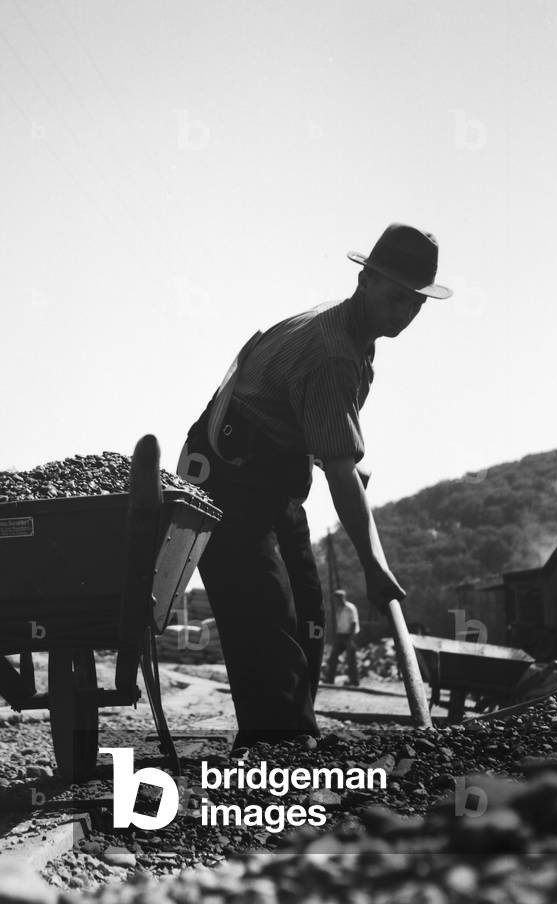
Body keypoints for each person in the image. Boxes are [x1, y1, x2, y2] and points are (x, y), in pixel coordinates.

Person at [177, 223, 452, 750]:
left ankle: (292, 738)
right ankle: (275, 752)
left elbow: (321, 434)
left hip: (275, 477)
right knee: (266, 612)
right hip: (226, 479)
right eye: (397, 297)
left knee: (308, 615)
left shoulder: (353, 336)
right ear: (366, 280)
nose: (406, 312)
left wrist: (335, 455)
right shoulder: (332, 352)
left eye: (416, 303)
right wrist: (374, 567)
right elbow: (342, 473)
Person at [324, 589, 360, 685]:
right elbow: (338, 624)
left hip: (349, 635)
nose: (336, 601)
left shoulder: (350, 608)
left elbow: (354, 623)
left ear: (342, 598)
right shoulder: (338, 609)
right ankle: (330, 679)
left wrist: (350, 639)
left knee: (351, 659)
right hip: (340, 635)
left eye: (337, 598)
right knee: (333, 657)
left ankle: (354, 681)